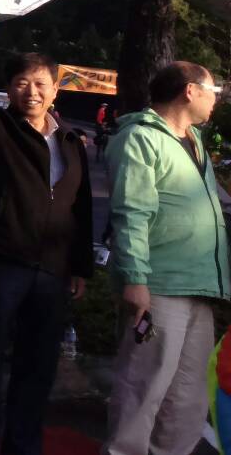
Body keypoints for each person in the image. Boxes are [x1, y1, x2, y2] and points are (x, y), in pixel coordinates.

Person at [0, 5, 94, 455]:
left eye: (40, 84)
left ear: (55, 90)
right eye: (21, 83)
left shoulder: (71, 142)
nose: (31, 92)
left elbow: (81, 207)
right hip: (4, 262)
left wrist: (80, 267)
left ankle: (22, 445)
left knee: (38, 366)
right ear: (9, 89)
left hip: (52, 272)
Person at [101, 61, 231, 455]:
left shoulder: (194, 141)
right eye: (214, 91)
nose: (216, 100)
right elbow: (131, 212)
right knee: (144, 386)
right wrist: (135, 279)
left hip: (198, 286)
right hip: (157, 286)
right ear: (190, 91)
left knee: (189, 397)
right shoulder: (140, 138)